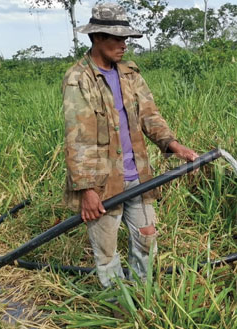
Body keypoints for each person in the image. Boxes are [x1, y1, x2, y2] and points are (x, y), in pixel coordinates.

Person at [62, 3, 198, 288]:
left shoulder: (130, 74)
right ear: (98, 37)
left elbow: (150, 116)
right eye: (117, 38)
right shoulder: (79, 78)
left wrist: (174, 145)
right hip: (102, 184)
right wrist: (87, 190)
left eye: (126, 39)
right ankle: (118, 307)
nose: (124, 45)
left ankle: (143, 297)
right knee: (107, 251)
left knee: (147, 240)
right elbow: (79, 138)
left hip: (138, 176)